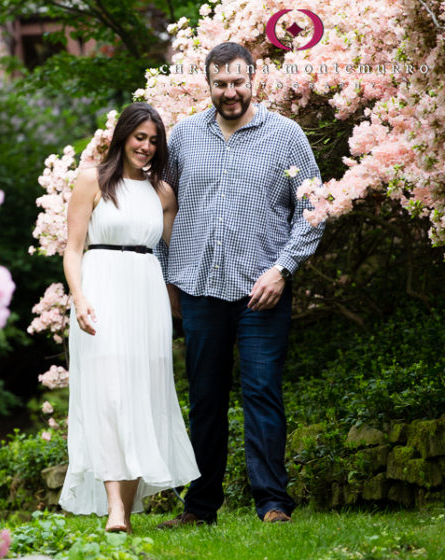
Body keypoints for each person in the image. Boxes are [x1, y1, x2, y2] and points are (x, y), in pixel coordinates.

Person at [156, 42, 325, 527]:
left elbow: (312, 208)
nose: (229, 92)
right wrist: (170, 278)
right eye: (220, 84)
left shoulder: (287, 137)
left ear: (254, 80)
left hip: (261, 291)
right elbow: (164, 210)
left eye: (237, 82)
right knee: (205, 398)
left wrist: (284, 268)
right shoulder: (185, 137)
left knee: (262, 394)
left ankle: (273, 504)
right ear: (207, 84)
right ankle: (199, 508)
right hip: (199, 290)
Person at [59, 102, 199, 533]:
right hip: (101, 288)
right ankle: (114, 508)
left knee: (142, 393)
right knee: (108, 395)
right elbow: (73, 248)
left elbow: (177, 251)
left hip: (146, 292)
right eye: (140, 137)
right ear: (123, 136)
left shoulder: (162, 194)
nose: (146, 146)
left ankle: (128, 505)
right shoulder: (92, 181)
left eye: (154, 140)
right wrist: (79, 297)